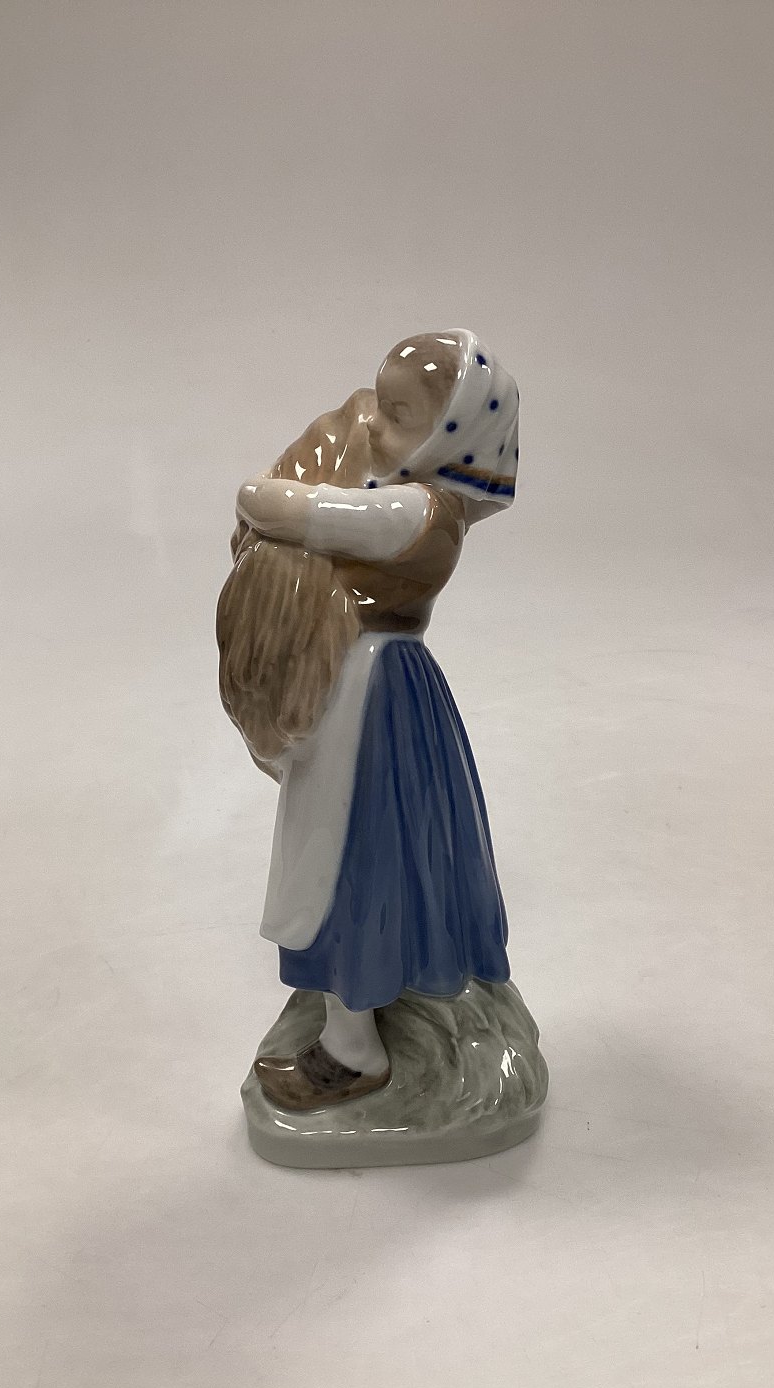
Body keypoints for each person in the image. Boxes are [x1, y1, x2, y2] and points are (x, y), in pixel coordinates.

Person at [225, 329, 519, 1110]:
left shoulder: (420, 511)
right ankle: (359, 1022)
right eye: (378, 405)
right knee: (351, 857)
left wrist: (273, 494)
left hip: (369, 700)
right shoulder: (403, 496)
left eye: (398, 416)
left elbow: (274, 504)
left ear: (454, 435)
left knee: (346, 863)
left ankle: (354, 1052)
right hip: (360, 689)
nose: (372, 425)